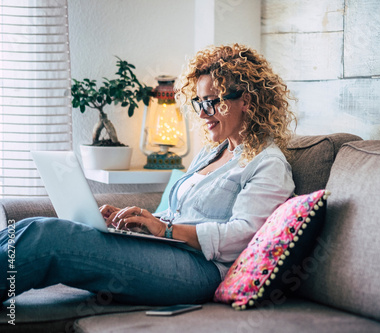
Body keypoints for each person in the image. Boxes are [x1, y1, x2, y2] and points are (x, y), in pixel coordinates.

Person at [0, 43, 296, 306]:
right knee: (32, 225)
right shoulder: (213, 152)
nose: (203, 113)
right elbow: (179, 214)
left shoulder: (268, 164)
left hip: (200, 270)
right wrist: (138, 222)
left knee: (47, 236)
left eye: (212, 102)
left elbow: (244, 236)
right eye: (199, 102)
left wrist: (165, 230)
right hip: (173, 252)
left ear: (246, 101)